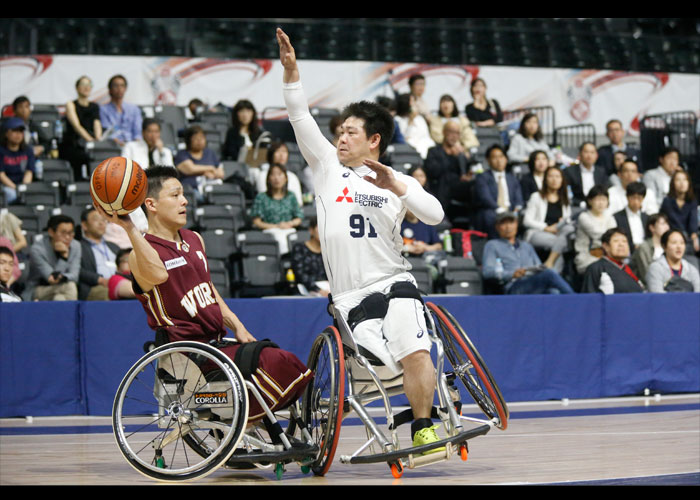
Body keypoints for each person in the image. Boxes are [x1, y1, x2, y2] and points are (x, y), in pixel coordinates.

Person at [278, 28, 447, 451]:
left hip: (395, 281)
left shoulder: (397, 180)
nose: (341, 136)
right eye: (340, 130)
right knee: (383, 364)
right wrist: (291, 73)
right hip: (352, 294)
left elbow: (437, 214)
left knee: (415, 351)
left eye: (352, 132)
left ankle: (423, 426)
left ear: (374, 140)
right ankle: (409, 408)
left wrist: (399, 186)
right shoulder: (326, 167)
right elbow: (300, 117)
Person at [94, 165, 312, 421]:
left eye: (183, 194)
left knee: (285, 359)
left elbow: (209, 291)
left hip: (216, 343)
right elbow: (158, 275)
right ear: (151, 204)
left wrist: (237, 325)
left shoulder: (195, 239)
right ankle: (239, 421)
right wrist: (129, 227)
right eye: (175, 195)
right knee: (272, 362)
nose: (184, 200)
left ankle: (254, 424)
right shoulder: (141, 254)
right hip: (188, 352)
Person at [481, 212, 574, 294]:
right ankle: (577, 301)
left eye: (511, 222)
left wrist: (535, 270)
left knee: (553, 292)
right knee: (549, 274)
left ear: (516, 224)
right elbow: (487, 272)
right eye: (503, 223)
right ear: (497, 227)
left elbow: (538, 266)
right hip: (512, 286)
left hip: (532, 282)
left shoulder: (526, 246)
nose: (508, 227)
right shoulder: (492, 245)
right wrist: (512, 274)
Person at [522, 166, 575, 271]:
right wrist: (546, 228)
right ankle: (554, 273)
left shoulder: (565, 199)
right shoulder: (536, 197)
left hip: (558, 232)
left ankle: (550, 270)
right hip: (538, 233)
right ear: (545, 179)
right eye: (551, 176)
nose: (554, 179)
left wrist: (562, 222)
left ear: (562, 180)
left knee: (569, 229)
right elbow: (526, 221)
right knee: (562, 244)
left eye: (557, 176)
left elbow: (567, 220)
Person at [23, 214, 81, 301]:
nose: (68, 237)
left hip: (63, 289)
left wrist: (62, 277)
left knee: (59, 298)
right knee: (70, 286)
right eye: (63, 233)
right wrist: (64, 256)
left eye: (71, 233)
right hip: (39, 289)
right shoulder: (37, 249)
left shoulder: (75, 245)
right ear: (51, 232)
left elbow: (75, 276)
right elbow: (53, 279)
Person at [423, 121, 474, 216]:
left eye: (457, 133)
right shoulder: (433, 151)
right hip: (440, 187)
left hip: (459, 187)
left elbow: (468, 171)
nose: (454, 136)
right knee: (445, 180)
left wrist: (467, 161)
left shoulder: (461, 153)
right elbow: (434, 172)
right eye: (451, 132)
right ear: (444, 132)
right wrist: (450, 157)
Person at [250, 164, 304, 255]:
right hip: (269, 231)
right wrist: (276, 226)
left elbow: (299, 218)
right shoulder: (261, 197)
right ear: (268, 179)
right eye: (273, 175)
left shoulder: (291, 196)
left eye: (279, 174)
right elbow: (257, 221)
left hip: (288, 229)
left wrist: (289, 224)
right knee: (279, 239)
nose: (276, 178)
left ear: (286, 178)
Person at [473, 144, 524, 239]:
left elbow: (518, 199)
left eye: (501, 156)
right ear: (488, 160)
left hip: (511, 211)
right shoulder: (482, 177)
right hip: (494, 210)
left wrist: (516, 209)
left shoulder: (512, 178)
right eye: (494, 157)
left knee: (522, 216)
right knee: (488, 215)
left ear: (506, 159)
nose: (499, 160)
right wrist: (500, 210)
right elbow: (485, 198)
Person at [60, 76, 103, 180]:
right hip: (73, 144)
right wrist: (90, 141)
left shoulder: (94, 106)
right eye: (83, 85)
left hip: (88, 144)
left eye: (89, 85)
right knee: (82, 156)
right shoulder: (70, 104)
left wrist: (98, 140)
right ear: (77, 88)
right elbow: (77, 126)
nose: (86, 87)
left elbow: (97, 124)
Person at [581, 228, 644, 294]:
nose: (621, 244)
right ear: (606, 246)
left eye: (624, 241)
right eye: (616, 241)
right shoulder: (596, 268)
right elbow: (589, 299)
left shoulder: (630, 268)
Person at [78, 207, 121, 301]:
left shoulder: (114, 247)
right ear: (84, 225)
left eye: (104, 220)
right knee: (109, 292)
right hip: (95, 287)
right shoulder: (78, 246)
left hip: (119, 283)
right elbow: (76, 270)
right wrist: (99, 279)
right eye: (96, 220)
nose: (101, 223)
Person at [573, 185, 617, 275]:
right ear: (590, 201)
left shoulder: (610, 218)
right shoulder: (584, 217)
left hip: (606, 255)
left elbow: (614, 237)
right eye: (597, 199)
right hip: (587, 256)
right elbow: (597, 234)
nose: (601, 203)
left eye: (603, 200)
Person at [174, 125, 225, 198]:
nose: (199, 141)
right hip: (191, 189)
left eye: (202, 138)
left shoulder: (210, 153)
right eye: (195, 138)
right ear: (189, 140)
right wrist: (211, 169)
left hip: (210, 187)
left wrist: (211, 175)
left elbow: (221, 173)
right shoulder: (182, 154)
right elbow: (190, 169)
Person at [660, 169, 699, 254]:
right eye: (678, 180)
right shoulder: (667, 201)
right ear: (673, 183)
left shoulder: (692, 201)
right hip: (671, 238)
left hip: (688, 239)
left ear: (689, 183)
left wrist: (694, 237)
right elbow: (669, 222)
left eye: (685, 180)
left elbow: (693, 224)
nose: (682, 183)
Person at [289, 216, 329, 297]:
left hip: (328, 289)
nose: (323, 232)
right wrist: (318, 290)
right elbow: (300, 274)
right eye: (320, 228)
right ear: (311, 230)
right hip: (306, 290)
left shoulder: (329, 250)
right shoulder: (299, 248)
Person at [0, 117, 36, 205]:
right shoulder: (1, 151)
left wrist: (24, 187)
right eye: (15, 131)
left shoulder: (28, 150)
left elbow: (29, 172)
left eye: (20, 131)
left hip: (22, 184)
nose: (18, 134)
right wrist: (16, 188)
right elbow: (1, 175)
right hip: (5, 186)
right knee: (10, 194)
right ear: (6, 133)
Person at [99, 74, 142, 147]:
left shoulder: (134, 109)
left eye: (122, 86)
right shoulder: (103, 109)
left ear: (125, 89)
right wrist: (121, 145)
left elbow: (137, 133)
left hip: (132, 147)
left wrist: (134, 148)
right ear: (110, 90)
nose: (119, 88)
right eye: (116, 86)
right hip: (112, 147)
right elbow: (107, 132)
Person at [629, 213, 670, 287]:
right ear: (652, 228)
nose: (667, 227)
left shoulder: (669, 247)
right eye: (663, 224)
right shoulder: (644, 247)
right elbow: (646, 274)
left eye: (667, 224)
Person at [564, 142, 609, 208]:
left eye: (592, 152)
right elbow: (567, 193)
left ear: (596, 156)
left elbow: (604, 190)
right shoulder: (569, 171)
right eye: (586, 152)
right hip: (576, 206)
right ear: (580, 154)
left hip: (597, 206)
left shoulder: (601, 172)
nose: (589, 155)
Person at [612, 182, 650, 255]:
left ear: (643, 199)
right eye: (633, 198)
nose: (636, 202)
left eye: (639, 198)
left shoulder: (647, 217)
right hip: (626, 253)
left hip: (645, 252)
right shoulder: (617, 217)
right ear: (627, 197)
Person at [394, 93, 435, 159]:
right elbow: (404, 139)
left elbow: (426, 136)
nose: (416, 104)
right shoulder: (398, 120)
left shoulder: (420, 118)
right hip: (411, 153)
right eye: (413, 101)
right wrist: (411, 120)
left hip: (427, 149)